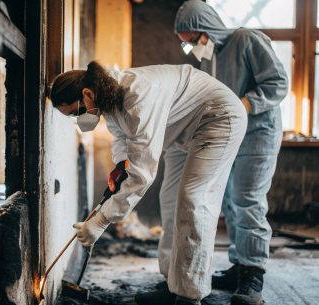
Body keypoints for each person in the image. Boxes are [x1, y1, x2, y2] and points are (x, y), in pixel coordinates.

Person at [49, 60, 247, 305]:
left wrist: (101, 220)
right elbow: (121, 138)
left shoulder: (137, 97)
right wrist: (121, 166)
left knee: (194, 200)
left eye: (76, 112)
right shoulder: (108, 96)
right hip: (184, 127)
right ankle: (174, 283)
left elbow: (142, 174)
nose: (79, 118)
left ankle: (189, 294)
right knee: (171, 199)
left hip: (218, 118)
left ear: (87, 94)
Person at [154, 1, 288, 305]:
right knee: (227, 200)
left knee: (248, 199)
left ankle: (253, 273)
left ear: (208, 28)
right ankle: (237, 265)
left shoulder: (246, 40)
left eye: (193, 39)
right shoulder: (209, 58)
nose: (191, 46)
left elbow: (278, 83)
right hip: (226, 135)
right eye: (185, 42)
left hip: (257, 132)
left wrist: (245, 104)